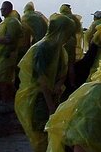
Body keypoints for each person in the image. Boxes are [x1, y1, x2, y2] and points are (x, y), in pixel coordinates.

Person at [15, 14, 76, 152]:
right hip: (36, 98)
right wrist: (51, 107)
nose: (70, 37)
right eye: (68, 33)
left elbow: (62, 72)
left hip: (50, 95)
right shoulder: (41, 49)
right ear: (61, 32)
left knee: (49, 134)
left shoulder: (59, 48)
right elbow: (41, 81)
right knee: (41, 134)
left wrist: (58, 85)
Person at [0, 0, 24, 113]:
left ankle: (5, 103)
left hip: (7, 54)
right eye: (1, 9)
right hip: (3, 54)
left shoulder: (12, 22)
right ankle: (13, 101)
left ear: (10, 9)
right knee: (7, 80)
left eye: (4, 9)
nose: (2, 11)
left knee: (3, 80)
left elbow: (9, 39)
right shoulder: (8, 21)